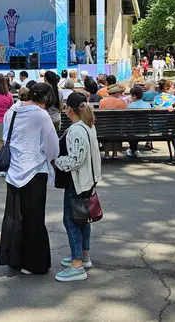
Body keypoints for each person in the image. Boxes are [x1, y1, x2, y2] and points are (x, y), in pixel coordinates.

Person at [0, 83, 60, 276]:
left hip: (14, 171)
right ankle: (34, 262)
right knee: (34, 219)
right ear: (46, 99)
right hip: (35, 172)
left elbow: (6, 136)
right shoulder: (41, 116)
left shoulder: (12, 112)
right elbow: (52, 148)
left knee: (14, 217)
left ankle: (14, 259)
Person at [53, 92, 101, 282]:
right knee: (83, 218)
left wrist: (56, 161)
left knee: (71, 220)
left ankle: (77, 264)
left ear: (69, 110)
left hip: (77, 180)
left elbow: (75, 160)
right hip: (89, 179)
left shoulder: (76, 130)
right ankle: (83, 254)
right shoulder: (89, 126)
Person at [125, 86, 151, 158]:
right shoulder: (147, 105)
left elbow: (128, 119)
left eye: (131, 96)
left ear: (134, 96)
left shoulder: (131, 106)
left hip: (134, 131)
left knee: (130, 129)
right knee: (135, 128)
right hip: (146, 130)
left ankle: (134, 150)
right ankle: (134, 150)